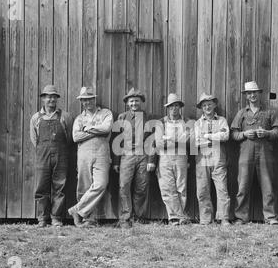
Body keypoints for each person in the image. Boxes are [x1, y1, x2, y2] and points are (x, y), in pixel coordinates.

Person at [231, 81, 278, 225]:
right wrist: (244, 134)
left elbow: (277, 131)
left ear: (259, 94)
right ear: (246, 96)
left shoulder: (270, 112)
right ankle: (241, 217)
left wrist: (266, 133)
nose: (252, 95)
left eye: (255, 92)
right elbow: (233, 133)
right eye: (249, 93)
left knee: (267, 185)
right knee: (243, 186)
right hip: (246, 153)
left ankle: (270, 217)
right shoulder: (241, 113)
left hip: (265, 153)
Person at [68, 87, 113, 228]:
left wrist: (87, 129)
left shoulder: (106, 113)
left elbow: (107, 128)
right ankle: (88, 219)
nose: (87, 102)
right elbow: (76, 137)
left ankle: (77, 210)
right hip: (84, 154)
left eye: (89, 99)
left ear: (94, 99)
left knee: (101, 184)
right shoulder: (79, 118)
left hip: (102, 153)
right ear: (81, 102)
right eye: (84, 100)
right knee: (84, 185)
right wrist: (96, 131)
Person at [30, 85, 73, 227]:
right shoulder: (36, 118)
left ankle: (56, 218)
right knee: (41, 187)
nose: (51, 99)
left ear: (57, 99)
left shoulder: (65, 116)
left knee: (59, 187)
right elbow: (34, 139)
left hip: (61, 156)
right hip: (42, 156)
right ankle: (42, 218)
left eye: (54, 96)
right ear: (43, 98)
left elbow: (69, 138)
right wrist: (44, 149)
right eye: (48, 96)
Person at [112, 88, 156, 228]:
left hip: (143, 155)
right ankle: (125, 218)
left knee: (141, 187)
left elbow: (152, 140)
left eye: (136, 101)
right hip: (126, 156)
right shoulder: (122, 117)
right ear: (127, 103)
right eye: (131, 101)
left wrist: (151, 160)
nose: (134, 103)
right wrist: (116, 161)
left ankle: (139, 216)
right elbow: (117, 140)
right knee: (124, 186)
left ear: (141, 102)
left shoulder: (148, 118)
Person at [194, 92, 231, 226]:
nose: (207, 107)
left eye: (209, 104)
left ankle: (224, 218)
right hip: (202, 159)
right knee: (202, 190)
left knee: (222, 189)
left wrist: (208, 136)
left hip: (218, 158)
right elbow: (196, 142)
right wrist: (216, 136)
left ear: (214, 105)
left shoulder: (221, 120)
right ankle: (205, 219)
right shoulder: (197, 123)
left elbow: (225, 135)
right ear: (201, 108)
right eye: (204, 105)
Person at [154, 93, 191, 226]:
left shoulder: (186, 121)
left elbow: (188, 141)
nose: (174, 109)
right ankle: (175, 217)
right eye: (171, 107)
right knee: (167, 187)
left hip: (181, 157)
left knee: (181, 186)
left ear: (180, 107)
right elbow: (159, 143)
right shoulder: (161, 123)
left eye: (176, 106)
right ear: (167, 108)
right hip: (165, 158)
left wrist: (169, 140)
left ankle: (178, 217)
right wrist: (178, 140)